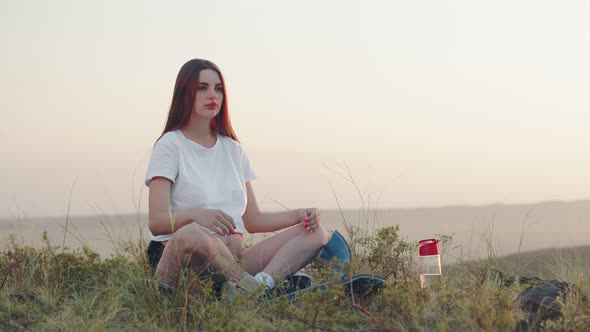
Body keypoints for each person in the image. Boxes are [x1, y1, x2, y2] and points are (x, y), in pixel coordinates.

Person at [144, 59, 328, 298]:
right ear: (185, 93)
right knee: (191, 233)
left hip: (233, 263)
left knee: (316, 233)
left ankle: (256, 286)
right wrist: (197, 216)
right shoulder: (170, 145)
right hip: (184, 262)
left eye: (218, 88)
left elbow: (253, 220)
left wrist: (299, 215)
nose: (213, 94)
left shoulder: (233, 149)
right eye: (202, 87)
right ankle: (255, 289)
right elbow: (157, 221)